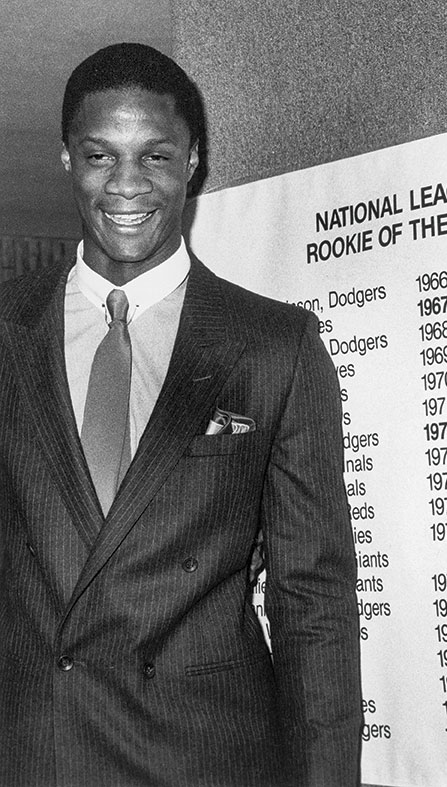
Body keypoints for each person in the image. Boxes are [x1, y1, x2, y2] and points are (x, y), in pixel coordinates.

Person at [0, 43, 362, 787]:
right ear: (67, 159)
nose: (126, 186)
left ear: (193, 161)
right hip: (37, 749)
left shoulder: (273, 345)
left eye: (155, 157)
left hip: (208, 754)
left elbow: (313, 601)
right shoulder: (5, 329)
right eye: (99, 156)